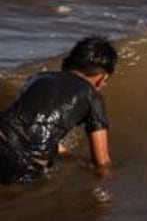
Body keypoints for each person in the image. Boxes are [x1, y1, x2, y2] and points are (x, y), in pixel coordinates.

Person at [0, 37, 117, 195]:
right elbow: (102, 162)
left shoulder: (39, 78)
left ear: (66, 63)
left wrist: (62, 152)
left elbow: (28, 121)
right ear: (102, 78)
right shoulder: (93, 97)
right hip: (20, 164)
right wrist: (105, 194)